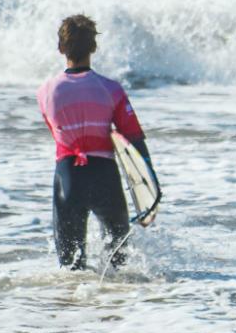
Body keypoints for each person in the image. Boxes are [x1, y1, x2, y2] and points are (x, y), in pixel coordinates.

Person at [36, 15, 158, 270]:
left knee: (71, 268)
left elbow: (57, 135)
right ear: (94, 47)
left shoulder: (45, 91)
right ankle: (115, 306)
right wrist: (150, 186)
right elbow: (133, 137)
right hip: (105, 176)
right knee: (119, 264)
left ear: (61, 48)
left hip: (68, 176)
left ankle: (74, 306)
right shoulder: (111, 89)